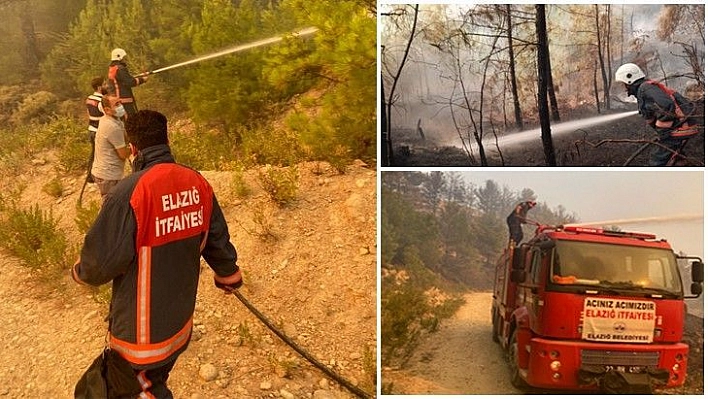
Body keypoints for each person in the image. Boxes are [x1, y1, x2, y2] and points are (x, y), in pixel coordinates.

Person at [71, 109, 243, 398]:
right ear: (166, 140)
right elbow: (216, 236)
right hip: (178, 326)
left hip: (141, 337)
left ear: (134, 148)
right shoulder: (196, 182)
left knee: (140, 390)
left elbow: (100, 264)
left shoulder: (130, 192)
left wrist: (79, 271)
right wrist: (229, 274)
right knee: (156, 379)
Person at [614, 63, 700, 166]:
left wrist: (662, 128)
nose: (625, 87)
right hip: (683, 125)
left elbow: (666, 105)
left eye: (624, 84)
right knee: (674, 156)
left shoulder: (645, 89)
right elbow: (652, 113)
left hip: (680, 128)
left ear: (629, 78)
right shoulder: (645, 88)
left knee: (657, 161)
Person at [91, 94, 130, 201]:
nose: (120, 106)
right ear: (107, 110)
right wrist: (133, 148)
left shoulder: (113, 120)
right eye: (116, 104)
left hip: (107, 173)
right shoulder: (112, 127)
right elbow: (123, 154)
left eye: (120, 102)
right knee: (113, 207)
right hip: (108, 176)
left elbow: (126, 136)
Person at [107, 48, 149, 117]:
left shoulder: (112, 68)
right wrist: (143, 79)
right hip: (124, 99)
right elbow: (130, 82)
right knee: (131, 120)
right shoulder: (120, 68)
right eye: (123, 57)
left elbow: (123, 80)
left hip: (119, 99)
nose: (124, 59)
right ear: (119, 57)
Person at [85, 77, 106, 184]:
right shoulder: (101, 101)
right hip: (99, 131)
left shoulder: (89, 99)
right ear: (99, 87)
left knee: (94, 153)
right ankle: (99, 177)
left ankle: (90, 176)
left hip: (91, 129)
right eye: (105, 84)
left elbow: (88, 113)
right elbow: (108, 114)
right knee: (102, 154)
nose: (106, 86)